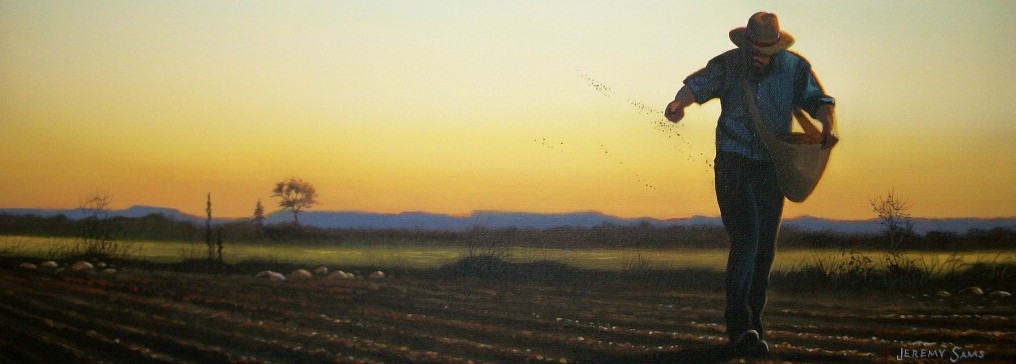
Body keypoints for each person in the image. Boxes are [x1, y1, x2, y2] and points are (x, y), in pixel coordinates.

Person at [664, 11, 837, 358]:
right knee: (747, 239)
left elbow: (819, 100)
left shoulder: (794, 67)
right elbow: (697, 84)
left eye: (766, 51)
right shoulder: (728, 65)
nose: (760, 56)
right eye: (755, 49)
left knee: (764, 250)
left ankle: (754, 324)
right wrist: (678, 104)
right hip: (733, 163)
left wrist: (827, 125)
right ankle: (739, 326)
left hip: (771, 167)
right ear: (746, 45)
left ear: (776, 48)